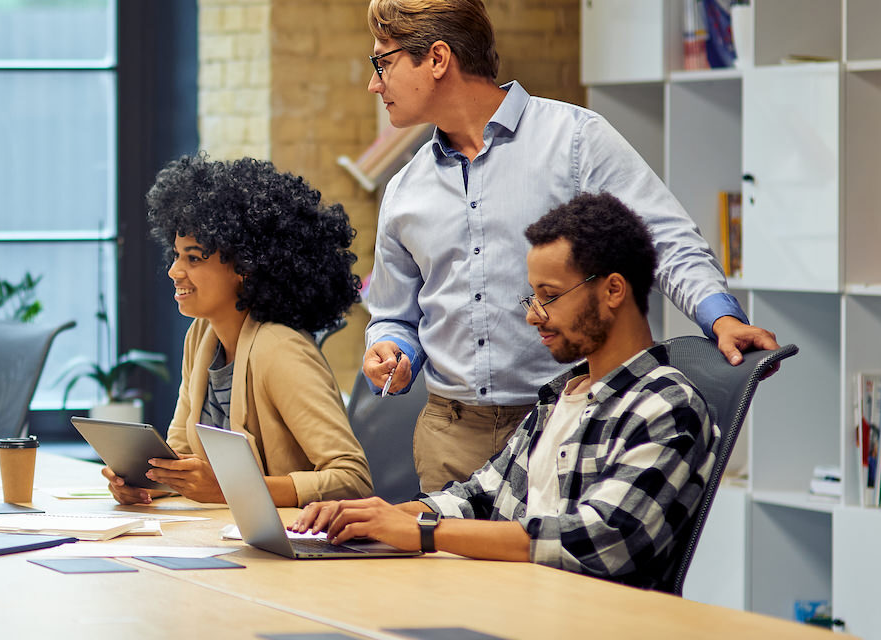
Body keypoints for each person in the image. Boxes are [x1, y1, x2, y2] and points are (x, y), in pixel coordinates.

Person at [356, 0, 778, 491]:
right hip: (452, 440)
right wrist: (390, 347)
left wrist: (720, 317)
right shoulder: (406, 189)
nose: (374, 83)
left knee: (562, 563)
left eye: (382, 62)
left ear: (437, 58)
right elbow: (393, 313)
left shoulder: (575, 140)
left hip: (571, 424)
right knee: (451, 568)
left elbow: (664, 237)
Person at [295, 193, 716, 590]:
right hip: (514, 605)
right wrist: (375, 516)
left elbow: (600, 538)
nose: (534, 316)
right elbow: (480, 495)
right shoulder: (558, 398)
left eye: (550, 296)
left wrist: (423, 531)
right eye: (532, 297)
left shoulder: (667, 405)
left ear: (612, 290)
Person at [104, 154, 373, 508]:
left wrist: (233, 488)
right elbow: (183, 456)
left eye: (193, 258)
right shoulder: (202, 336)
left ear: (245, 266)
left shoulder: (281, 350)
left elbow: (352, 480)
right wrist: (147, 481)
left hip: (294, 549)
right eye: (176, 255)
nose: (174, 271)